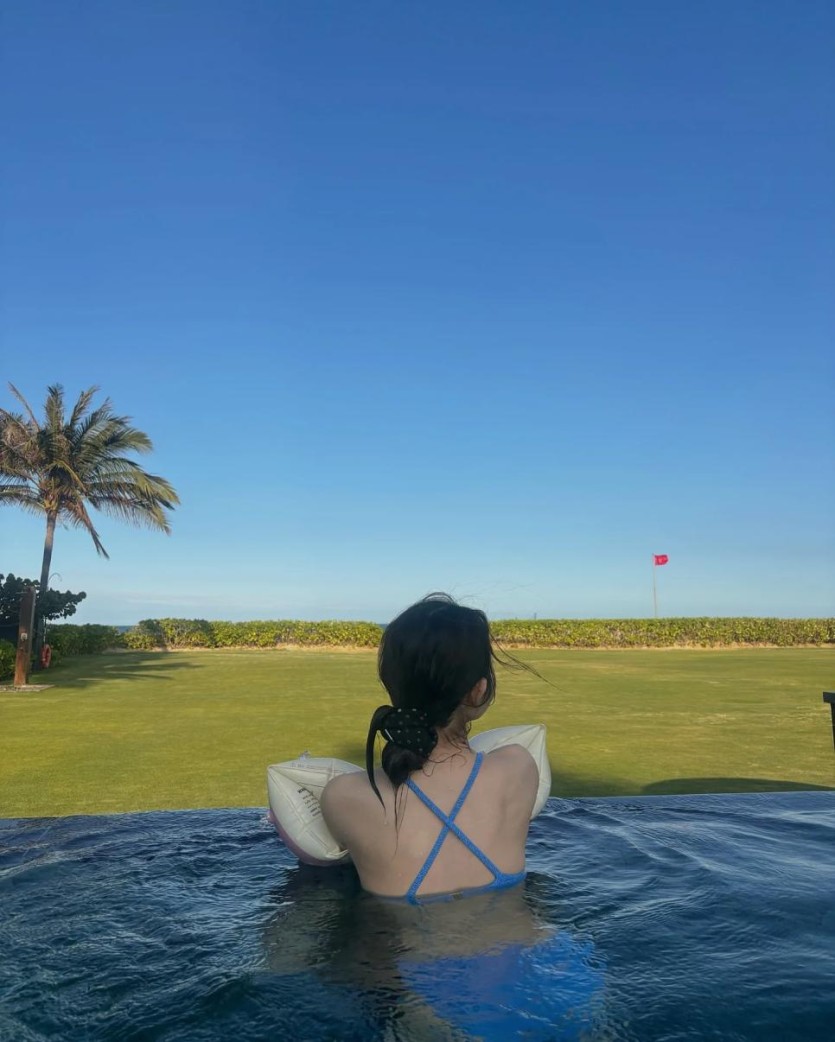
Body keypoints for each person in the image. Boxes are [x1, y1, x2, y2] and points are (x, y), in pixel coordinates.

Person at [321, 593, 539, 902]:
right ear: (479, 690)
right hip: (525, 934)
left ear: (390, 682)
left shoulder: (343, 796)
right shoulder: (518, 767)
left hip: (404, 935)